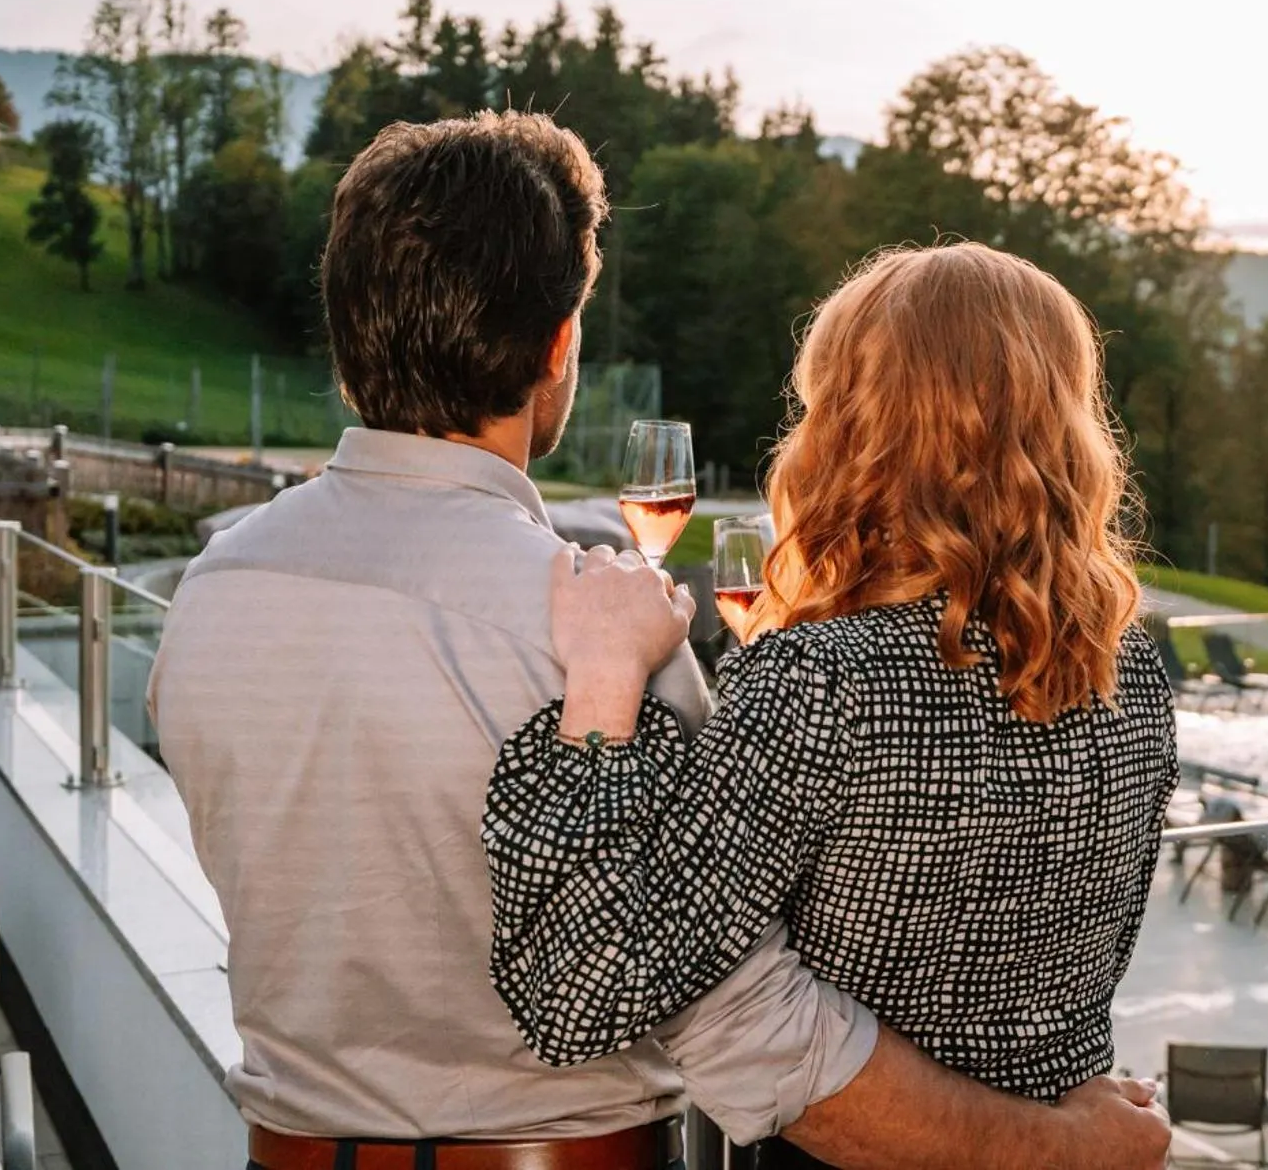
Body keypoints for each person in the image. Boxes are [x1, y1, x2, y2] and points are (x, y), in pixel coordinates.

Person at [149, 115, 1173, 1170]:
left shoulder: (212, 590)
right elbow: (739, 1024)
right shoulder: (597, 626)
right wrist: (1064, 1144)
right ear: (557, 345)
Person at [484, 243, 1182, 1170]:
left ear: (855, 427)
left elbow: (587, 987)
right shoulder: (1131, 672)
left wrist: (606, 685)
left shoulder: (819, 680)